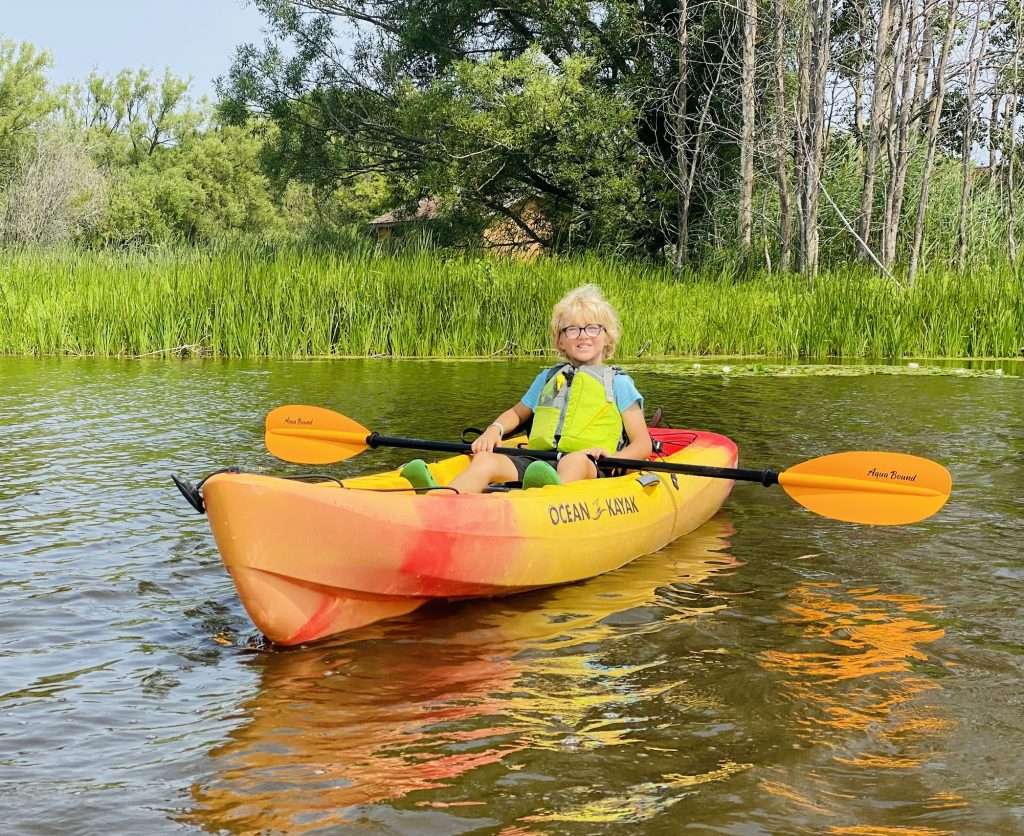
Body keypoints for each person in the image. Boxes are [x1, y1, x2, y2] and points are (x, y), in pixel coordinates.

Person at [400, 284, 652, 493]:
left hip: (589, 463)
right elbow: (517, 413)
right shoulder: (547, 378)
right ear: (560, 340)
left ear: (607, 336)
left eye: (592, 328)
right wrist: (494, 429)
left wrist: (609, 454)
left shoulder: (618, 382)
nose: (582, 335)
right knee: (486, 460)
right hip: (537, 461)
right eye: (572, 329)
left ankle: (542, 500)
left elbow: (642, 444)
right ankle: (444, 499)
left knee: (574, 462)